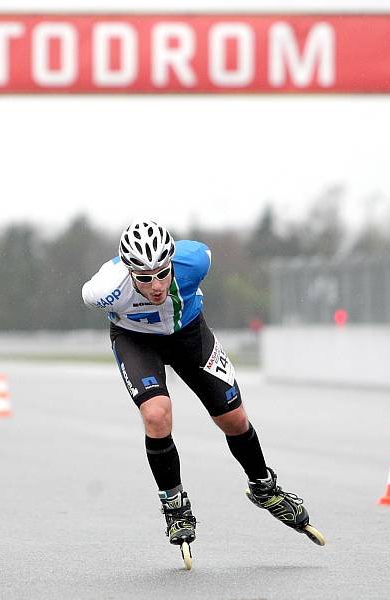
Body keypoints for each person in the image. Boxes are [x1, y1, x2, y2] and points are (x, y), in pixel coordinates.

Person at [81, 220, 325, 561]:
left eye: (163, 274)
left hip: (189, 335)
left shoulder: (195, 261)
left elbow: (195, 261)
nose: (156, 285)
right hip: (137, 341)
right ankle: (175, 506)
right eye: (145, 278)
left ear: (172, 264)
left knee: (234, 419)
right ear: (129, 272)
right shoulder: (103, 290)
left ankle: (264, 487)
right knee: (156, 414)